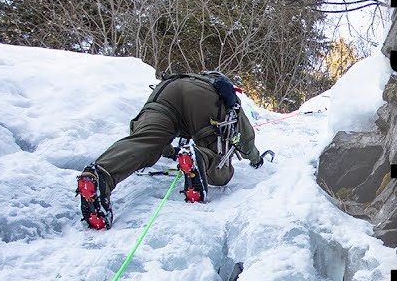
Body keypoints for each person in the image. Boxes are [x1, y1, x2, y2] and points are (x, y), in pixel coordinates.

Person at [77, 71, 267, 230]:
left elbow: (143, 135)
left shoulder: (187, 77)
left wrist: (167, 151)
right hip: (204, 99)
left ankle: (102, 173)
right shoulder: (225, 92)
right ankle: (199, 157)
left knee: (146, 139)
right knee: (221, 170)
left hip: (166, 91)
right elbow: (246, 135)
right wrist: (255, 158)